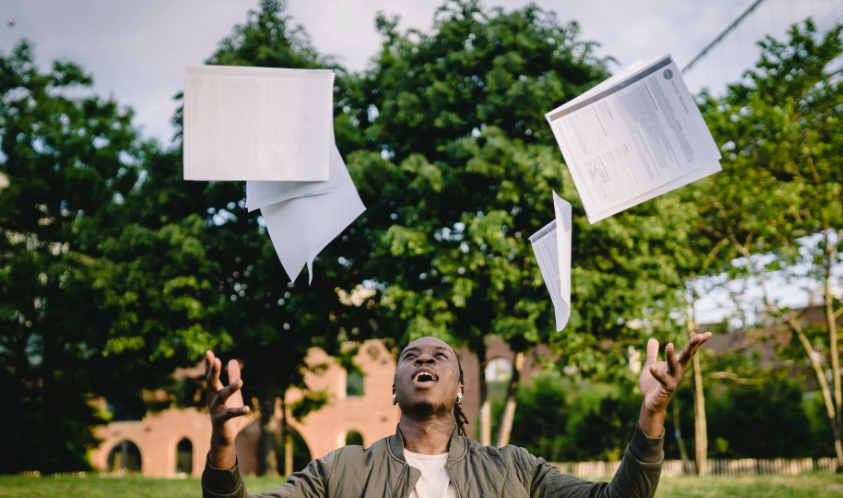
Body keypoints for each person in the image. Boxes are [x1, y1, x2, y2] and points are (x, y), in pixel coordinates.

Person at [201, 332, 711, 498]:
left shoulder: (516, 468)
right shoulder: (339, 472)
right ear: (394, 390)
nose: (424, 358)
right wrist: (223, 444)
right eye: (411, 356)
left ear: (462, 390)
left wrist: (653, 413)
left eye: (440, 355)